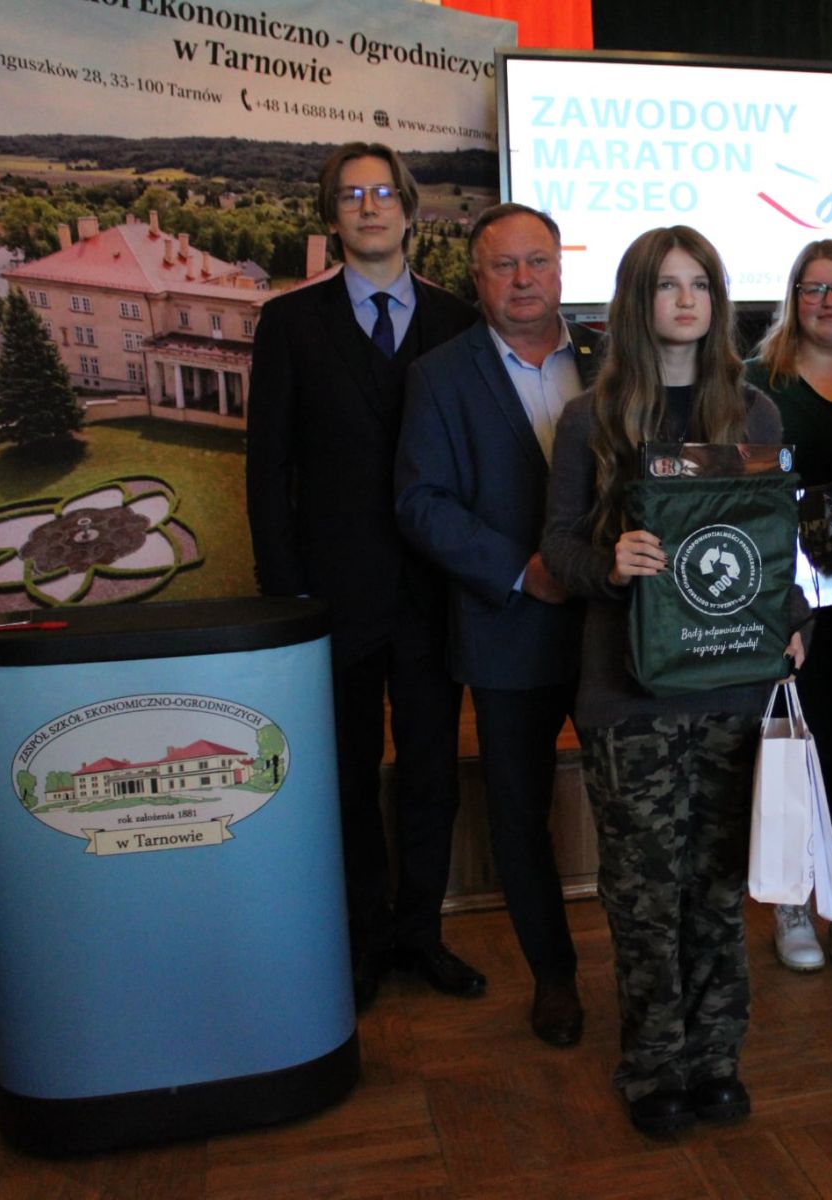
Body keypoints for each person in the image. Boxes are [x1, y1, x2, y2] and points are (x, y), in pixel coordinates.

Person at [540, 225, 806, 1135]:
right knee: (646, 893)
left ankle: (716, 1059)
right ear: (636, 300)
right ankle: (654, 1066)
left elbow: (777, 550)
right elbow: (557, 546)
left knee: (719, 888)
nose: (685, 300)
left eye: (701, 284)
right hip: (629, 695)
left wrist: (794, 623)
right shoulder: (592, 418)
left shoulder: (754, 415)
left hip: (733, 688)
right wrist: (609, 564)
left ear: (719, 301)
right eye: (667, 285)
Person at [246, 142, 481, 1012]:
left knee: (430, 776)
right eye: (351, 195)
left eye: (384, 192)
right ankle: (361, 941)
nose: (369, 206)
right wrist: (287, 599)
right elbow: (267, 470)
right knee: (345, 778)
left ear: (410, 210)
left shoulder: (458, 321)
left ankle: (421, 933)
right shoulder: (289, 324)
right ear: (332, 215)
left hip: (433, 596)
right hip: (332, 600)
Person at [395, 204, 604, 1046]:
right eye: (503, 266)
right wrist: (524, 571)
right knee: (519, 819)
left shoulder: (611, 359)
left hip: (612, 629)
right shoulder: (439, 376)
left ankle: (650, 967)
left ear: (561, 269)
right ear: (476, 280)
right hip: (509, 628)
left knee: (632, 808)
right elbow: (420, 502)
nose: (523, 280)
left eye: (537, 262)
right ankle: (554, 978)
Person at [744, 240, 832, 972]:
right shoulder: (752, 385)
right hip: (783, 600)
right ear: (791, 298)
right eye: (814, 288)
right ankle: (792, 901)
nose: (830, 302)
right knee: (792, 746)